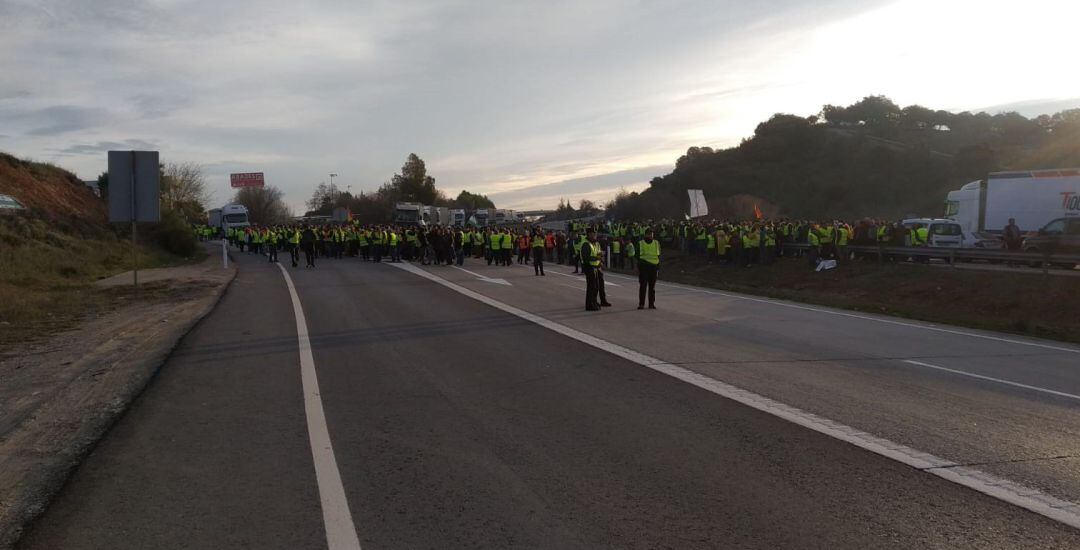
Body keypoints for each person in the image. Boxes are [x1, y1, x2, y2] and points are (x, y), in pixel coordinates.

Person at [581, 228, 611, 311]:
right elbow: (586, 258)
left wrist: (600, 257)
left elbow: (597, 253)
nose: (594, 235)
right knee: (591, 287)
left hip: (596, 266)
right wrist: (597, 257)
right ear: (588, 234)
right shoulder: (586, 244)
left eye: (595, 233)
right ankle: (589, 305)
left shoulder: (596, 243)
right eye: (592, 233)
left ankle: (594, 302)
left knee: (596, 286)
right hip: (589, 267)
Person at [637, 228, 660, 309]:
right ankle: (641, 304)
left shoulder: (656, 243)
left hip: (654, 267)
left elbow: (658, 255)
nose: (651, 236)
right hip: (644, 267)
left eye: (652, 234)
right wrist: (640, 265)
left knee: (652, 287)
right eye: (649, 234)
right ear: (646, 234)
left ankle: (651, 304)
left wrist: (658, 267)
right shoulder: (640, 243)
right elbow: (637, 255)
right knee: (643, 286)